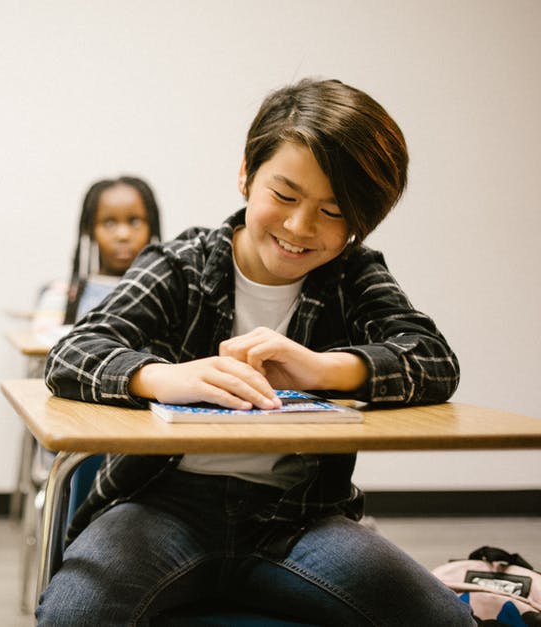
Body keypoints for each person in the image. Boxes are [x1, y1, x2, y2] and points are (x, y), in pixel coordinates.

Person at [38, 79, 472, 625]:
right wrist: (161, 377)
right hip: (161, 505)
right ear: (246, 172)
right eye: (285, 196)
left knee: (443, 619)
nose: (299, 227)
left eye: (334, 212)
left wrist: (327, 369)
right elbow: (73, 349)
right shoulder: (182, 265)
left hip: (298, 518)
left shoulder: (352, 275)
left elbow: (432, 358)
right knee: (76, 614)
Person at [31, 176, 162, 341]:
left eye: (134, 221)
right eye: (109, 223)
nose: (123, 235)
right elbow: (41, 346)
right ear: (90, 230)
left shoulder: (167, 296)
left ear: (152, 227)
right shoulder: (62, 294)